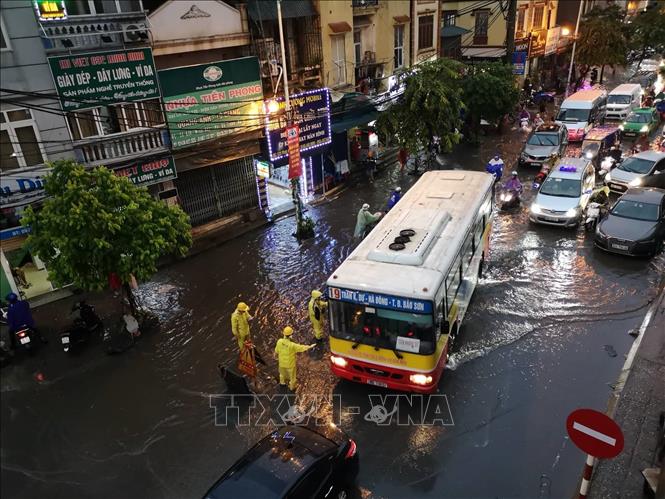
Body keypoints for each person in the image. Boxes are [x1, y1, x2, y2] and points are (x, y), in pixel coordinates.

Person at [274, 326, 315, 390]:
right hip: (290, 365)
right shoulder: (292, 345)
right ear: (290, 335)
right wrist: (310, 346)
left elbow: (276, 351)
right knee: (292, 378)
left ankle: (282, 383)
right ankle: (292, 388)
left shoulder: (279, 341)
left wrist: (275, 356)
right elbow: (301, 347)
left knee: (282, 374)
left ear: (284, 334)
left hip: (281, 364)